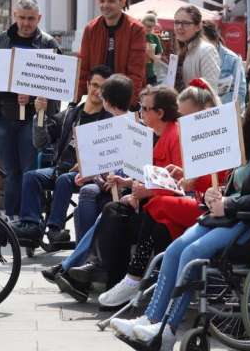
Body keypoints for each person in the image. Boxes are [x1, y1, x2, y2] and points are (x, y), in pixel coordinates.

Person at [110, 84, 250, 351]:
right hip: (232, 216)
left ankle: (167, 330)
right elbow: (237, 184)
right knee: (175, 249)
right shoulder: (249, 142)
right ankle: (152, 319)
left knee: (193, 253)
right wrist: (219, 194)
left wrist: (229, 203)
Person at [99, 80, 223, 309]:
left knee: (155, 207)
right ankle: (128, 280)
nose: (180, 121)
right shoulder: (190, 136)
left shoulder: (208, 138)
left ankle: (134, 277)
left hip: (208, 206)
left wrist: (162, 186)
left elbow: (207, 184)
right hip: (191, 203)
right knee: (145, 218)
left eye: (184, 116)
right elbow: (180, 180)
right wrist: (183, 176)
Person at [62, 84, 183, 296]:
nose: (141, 112)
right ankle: (107, 277)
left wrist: (144, 193)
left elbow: (176, 186)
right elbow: (151, 177)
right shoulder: (158, 135)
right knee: (113, 211)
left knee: (114, 213)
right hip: (149, 205)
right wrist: (127, 183)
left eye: (145, 109)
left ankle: (102, 272)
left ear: (160, 112)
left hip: (163, 214)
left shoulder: (174, 136)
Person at [10, 65, 113, 246]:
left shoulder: (108, 120)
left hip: (88, 173)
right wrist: (39, 115)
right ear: (88, 85)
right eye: (95, 85)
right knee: (31, 176)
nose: (98, 91)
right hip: (60, 169)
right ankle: (31, 224)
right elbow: (40, 142)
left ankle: (55, 228)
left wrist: (85, 164)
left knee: (65, 179)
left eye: (103, 88)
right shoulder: (70, 114)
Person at [0, 0, 60, 219]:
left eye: (31, 19)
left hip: (33, 119)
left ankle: (29, 218)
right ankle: (12, 217)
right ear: (15, 16)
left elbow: (56, 83)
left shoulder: (48, 43)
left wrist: (34, 96)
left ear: (39, 18)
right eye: (22, 18)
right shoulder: (3, 39)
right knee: (10, 172)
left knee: (29, 171)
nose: (26, 23)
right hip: (3, 115)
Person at [76, 0, 146, 106]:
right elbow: (82, 69)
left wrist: (128, 105)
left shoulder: (136, 29)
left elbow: (136, 73)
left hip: (122, 102)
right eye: (102, 1)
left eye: (111, 1)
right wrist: (75, 101)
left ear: (122, 2)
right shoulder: (91, 29)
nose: (105, 5)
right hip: (95, 100)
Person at [153, 6, 220, 93]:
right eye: (176, 22)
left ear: (198, 27)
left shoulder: (207, 50)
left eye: (185, 23)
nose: (179, 27)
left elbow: (210, 90)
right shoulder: (181, 50)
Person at [201, 20, 246, 109]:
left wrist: (215, 104)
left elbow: (241, 92)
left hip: (227, 113)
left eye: (204, 44)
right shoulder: (194, 57)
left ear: (215, 39)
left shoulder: (232, 59)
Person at [143, 12, 163, 86]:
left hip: (151, 74)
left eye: (152, 26)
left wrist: (152, 56)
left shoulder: (154, 37)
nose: (150, 28)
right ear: (142, 24)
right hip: (138, 72)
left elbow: (159, 56)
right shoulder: (136, 36)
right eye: (147, 26)